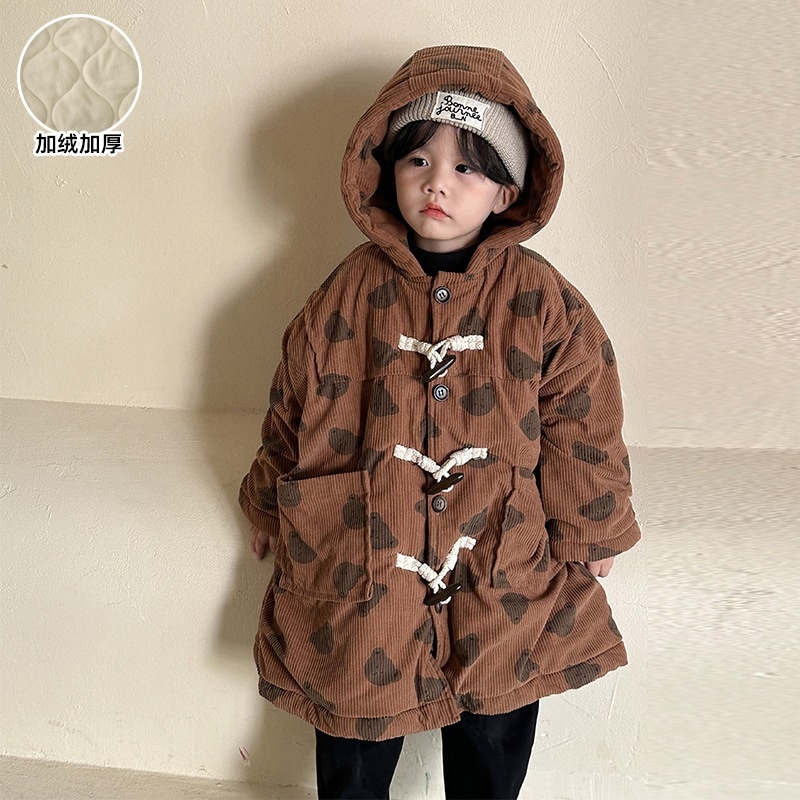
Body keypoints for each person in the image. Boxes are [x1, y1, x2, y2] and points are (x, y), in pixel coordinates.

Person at [239, 44, 641, 800]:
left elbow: (582, 416)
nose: (437, 184)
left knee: (498, 699)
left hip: (498, 542)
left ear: (508, 191)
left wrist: (591, 527)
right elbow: (294, 399)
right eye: (417, 160)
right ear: (384, 170)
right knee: (356, 703)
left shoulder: (543, 300)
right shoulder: (347, 291)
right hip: (368, 539)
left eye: (467, 168)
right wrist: (270, 499)